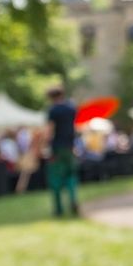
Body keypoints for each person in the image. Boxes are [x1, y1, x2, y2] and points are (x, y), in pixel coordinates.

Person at [45, 86, 79, 217]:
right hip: (70, 147)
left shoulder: (53, 110)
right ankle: (73, 200)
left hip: (57, 148)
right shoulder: (71, 109)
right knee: (71, 176)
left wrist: (46, 146)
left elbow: (49, 131)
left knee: (56, 178)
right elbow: (74, 128)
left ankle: (59, 209)